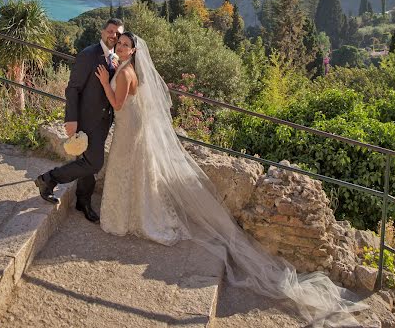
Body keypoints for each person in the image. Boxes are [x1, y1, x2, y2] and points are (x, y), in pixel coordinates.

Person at [95, 32, 363, 327]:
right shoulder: (131, 69)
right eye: (118, 44)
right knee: (132, 170)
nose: (120, 47)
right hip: (134, 127)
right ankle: (134, 213)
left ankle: (125, 217)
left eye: (124, 45)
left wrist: (104, 83)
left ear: (133, 50)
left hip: (126, 125)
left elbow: (118, 104)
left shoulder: (124, 72)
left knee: (124, 168)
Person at [34, 18, 124, 223]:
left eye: (118, 33)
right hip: (85, 120)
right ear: (102, 32)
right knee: (94, 163)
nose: (114, 35)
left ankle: (83, 201)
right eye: (110, 31)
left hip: (103, 121)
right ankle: (48, 179)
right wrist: (71, 119)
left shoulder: (114, 57)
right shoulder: (88, 55)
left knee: (87, 162)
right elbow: (72, 89)